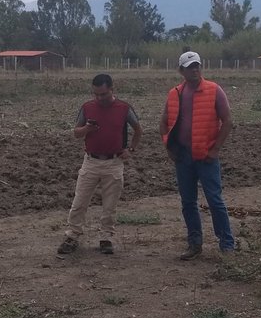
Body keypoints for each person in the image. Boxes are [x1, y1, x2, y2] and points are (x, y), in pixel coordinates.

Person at [159, 51, 236, 259]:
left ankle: (227, 243)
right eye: (190, 66)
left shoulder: (214, 90)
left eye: (197, 65)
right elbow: (164, 121)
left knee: (214, 200)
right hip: (183, 156)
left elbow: (227, 121)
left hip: (206, 156)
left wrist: (216, 149)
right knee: (188, 202)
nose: (195, 69)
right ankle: (194, 243)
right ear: (181, 71)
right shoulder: (174, 93)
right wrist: (169, 147)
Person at [57, 74, 142, 256]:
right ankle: (73, 235)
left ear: (112, 89)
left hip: (114, 162)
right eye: (96, 94)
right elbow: (76, 133)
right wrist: (87, 129)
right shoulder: (87, 108)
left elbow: (138, 130)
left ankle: (106, 238)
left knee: (110, 205)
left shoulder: (124, 108)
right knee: (79, 201)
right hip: (91, 162)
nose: (100, 98)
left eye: (103, 94)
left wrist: (131, 149)